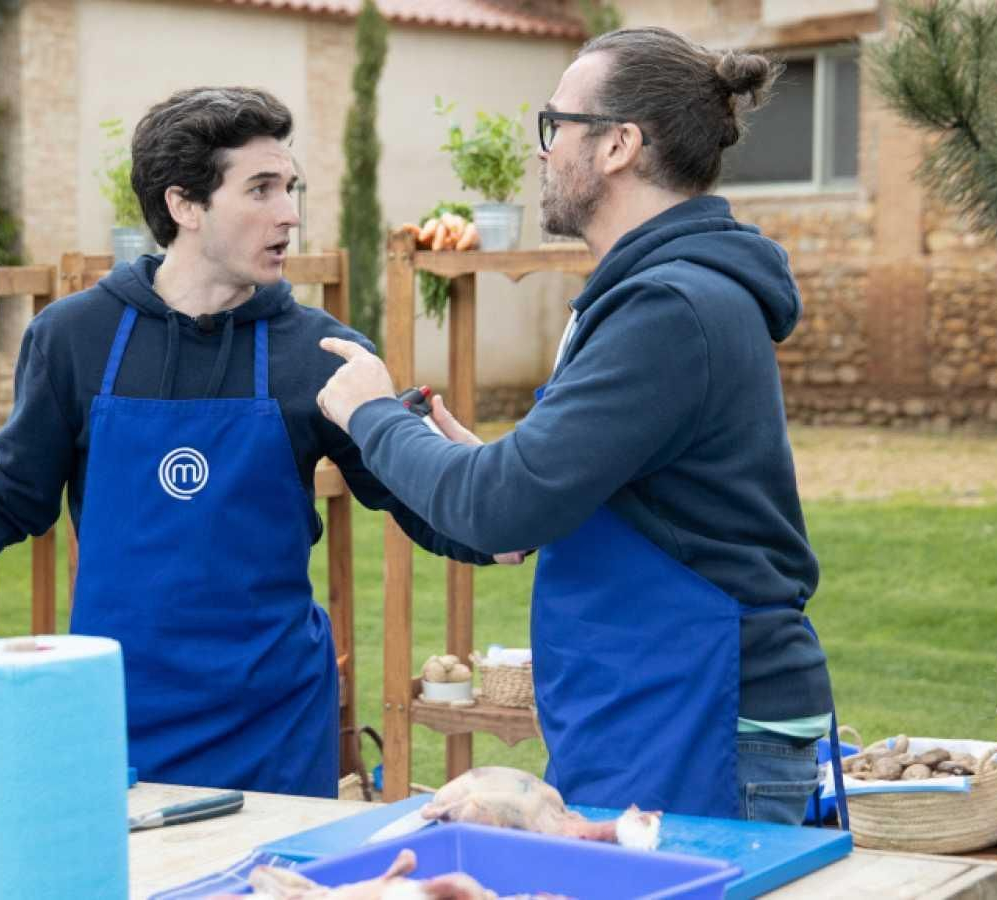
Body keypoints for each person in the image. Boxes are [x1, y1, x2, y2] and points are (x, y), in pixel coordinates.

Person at [0, 86, 498, 799]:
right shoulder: (75, 337)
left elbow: (412, 496)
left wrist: (497, 516)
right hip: (118, 713)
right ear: (184, 205)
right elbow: (6, 494)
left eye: (290, 187)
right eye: (261, 189)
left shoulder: (321, 353)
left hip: (274, 722)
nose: (289, 214)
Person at [315, 29, 835, 824]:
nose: (542, 150)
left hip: (698, 718)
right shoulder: (656, 294)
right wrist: (514, 479)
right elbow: (551, 501)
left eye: (555, 125)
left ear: (620, 144)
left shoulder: (668, 308)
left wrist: (372, 414)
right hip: (653, 708)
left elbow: (500, 505)